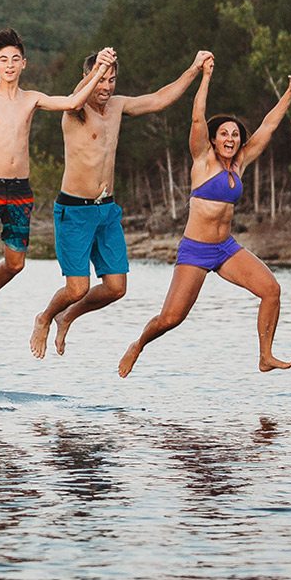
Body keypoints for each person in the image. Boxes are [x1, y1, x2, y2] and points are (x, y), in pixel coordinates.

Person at [118, 57, 291, 377]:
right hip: (196, 250)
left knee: (271, 290)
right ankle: (138, 344)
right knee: (171, 318)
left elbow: (268, 126)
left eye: (234, 134)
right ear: (214, 139)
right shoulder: (203, 160)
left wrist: (289, 93)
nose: (230, 139)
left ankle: (265, 355)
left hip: (226, 249)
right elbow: (196, 119)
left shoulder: (240, 162)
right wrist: (205, 77)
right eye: (224, 134)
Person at [30, 48, 216, 359]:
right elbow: (78, 94)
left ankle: (68, 316)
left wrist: (194, 68)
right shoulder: (74, 109)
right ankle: (45, 317)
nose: (105, 87)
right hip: (74, 210)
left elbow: (160, 98)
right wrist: (97, 68)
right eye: (100, 80)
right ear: (89, 78)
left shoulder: (117, 107)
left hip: (106, 210)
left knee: (116, 287)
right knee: (76, 288)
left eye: (111, 80)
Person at [0, 28, 115, 332]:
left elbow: (73, 103)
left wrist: (99, 68)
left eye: (15, 59)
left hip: (20, 190)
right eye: (3, 59)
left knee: (16, 264)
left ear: (24, 64)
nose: (9, 64)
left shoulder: (32, 99)